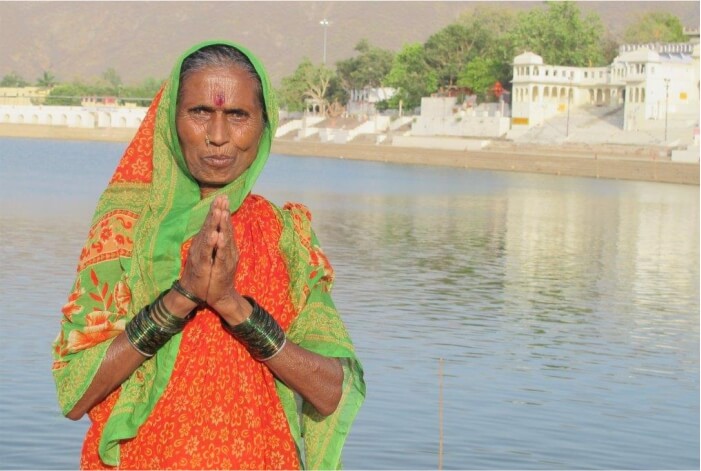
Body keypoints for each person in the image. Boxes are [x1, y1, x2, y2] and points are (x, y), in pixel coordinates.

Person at [52, 40, 365, 470]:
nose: (218, 137)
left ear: (263, 124)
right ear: (170, 119)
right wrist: (181, 296)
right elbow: (75, 391)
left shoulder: (285, 237)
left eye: (238, 115)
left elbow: (330, 390)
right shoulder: (124, 230)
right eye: (200, 112)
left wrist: (233, 306)